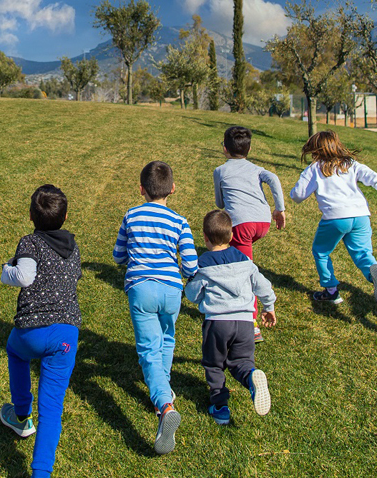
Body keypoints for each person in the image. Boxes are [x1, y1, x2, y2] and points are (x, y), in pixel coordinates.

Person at [112, 161, 198, 455]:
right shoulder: (180, 222)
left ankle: (164, 404)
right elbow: (190, 264)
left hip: (141, 289)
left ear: (141, 190)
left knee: (149, 347)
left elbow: (118, 255)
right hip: (172, 289)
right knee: (167, 338)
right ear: (172, 189)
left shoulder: (131, 215)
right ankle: (164, 386)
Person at [0, 184, 81, 478]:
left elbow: (24, 276)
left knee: (14, 351)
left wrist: (6, 270)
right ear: (66, 216)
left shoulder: (30, 243)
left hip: (31, 330)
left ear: (31, 217)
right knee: (52, 409)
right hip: (66, 335)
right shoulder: (74, 248)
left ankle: (21, 415)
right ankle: (41, 473)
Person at [289, 130, 377, 305]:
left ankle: (331, 291)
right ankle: (374, 275)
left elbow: (298, 195)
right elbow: (371, 176)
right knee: (363, 253)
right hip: (361, 216)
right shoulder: (350, 164)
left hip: (335, 218)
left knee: (321, 252)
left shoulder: (314, 169)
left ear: (315, 150)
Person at [184, 210, 276, 426]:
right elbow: (262, 285)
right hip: (245, 323)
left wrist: (193, 288)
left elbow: (192, 294)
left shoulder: (204, 264)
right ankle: (251, 377)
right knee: (241, 362)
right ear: (232, 235)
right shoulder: (245, 260)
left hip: (217, 323)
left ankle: (220, 406)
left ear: (205, 237)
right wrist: (268, 306)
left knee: (214, 364)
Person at [213, 126, 286, 343]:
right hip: (262, 223)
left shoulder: (220, 171)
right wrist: (279, 209)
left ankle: (251, 323)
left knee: (245, 272)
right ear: (250, 149)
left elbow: (219, 203)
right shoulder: (256, 168)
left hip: (241, 226)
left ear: (224, 149)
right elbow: (273, 178)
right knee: (239, 259)